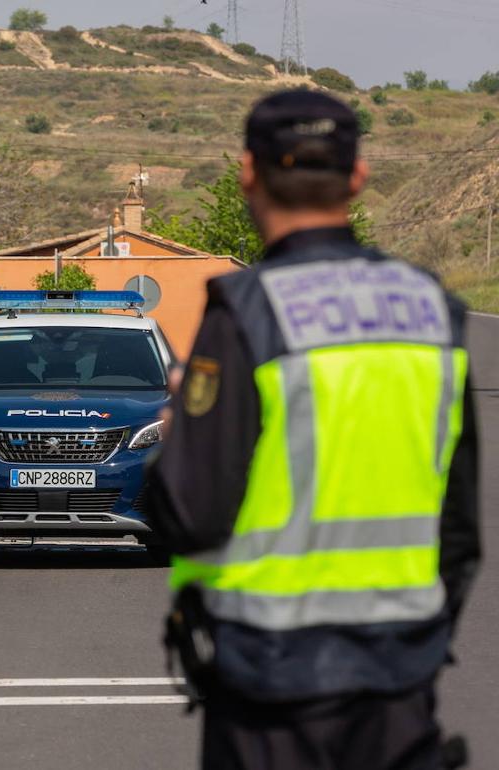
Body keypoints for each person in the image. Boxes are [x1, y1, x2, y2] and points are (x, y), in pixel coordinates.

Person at [145, 91, 480, 770]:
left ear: (248, 173)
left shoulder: (249, 311)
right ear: (357, 178)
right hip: (399, 678)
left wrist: (179, 429)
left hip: (270, 688)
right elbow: (460, 531)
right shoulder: (432, 309)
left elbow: (189, 511)